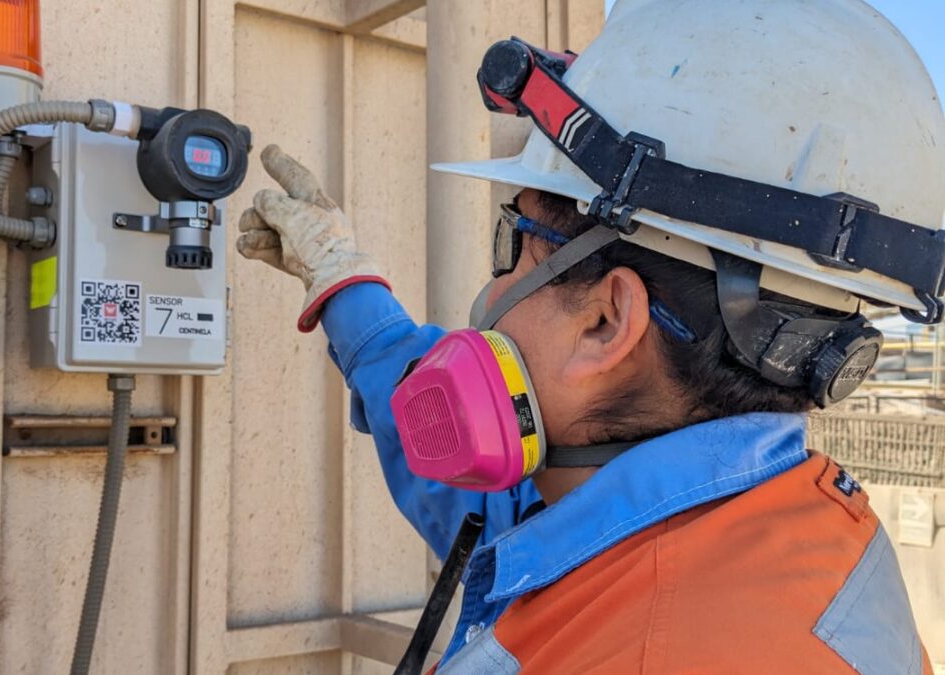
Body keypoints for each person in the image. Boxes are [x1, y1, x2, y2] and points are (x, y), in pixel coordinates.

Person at [236, 0, 943, 672]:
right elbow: (497, 508)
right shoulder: (764, 522)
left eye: (511, 247)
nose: (491, 293)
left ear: (605, 322)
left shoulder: (648, 650)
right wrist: (345, 285)